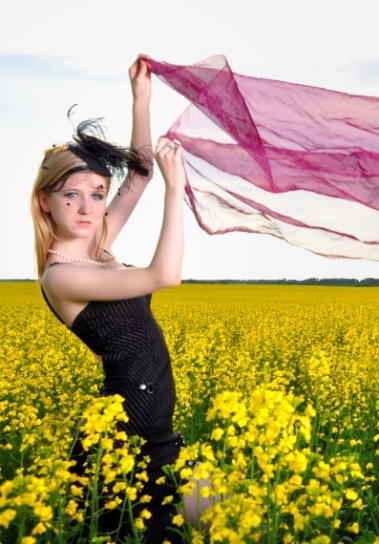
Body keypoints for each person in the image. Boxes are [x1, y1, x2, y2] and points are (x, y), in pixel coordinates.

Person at [31, 56, 201, 543]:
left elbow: (140, 174)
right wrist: (177, 191)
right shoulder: (61, 276)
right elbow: (165, 276)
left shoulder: (101, 245)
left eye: (98, 194)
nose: (86, 208)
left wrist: (140, 100)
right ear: (45, 200)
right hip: (128, 435)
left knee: (237, 520)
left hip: (152, 425)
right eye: (71, 196)